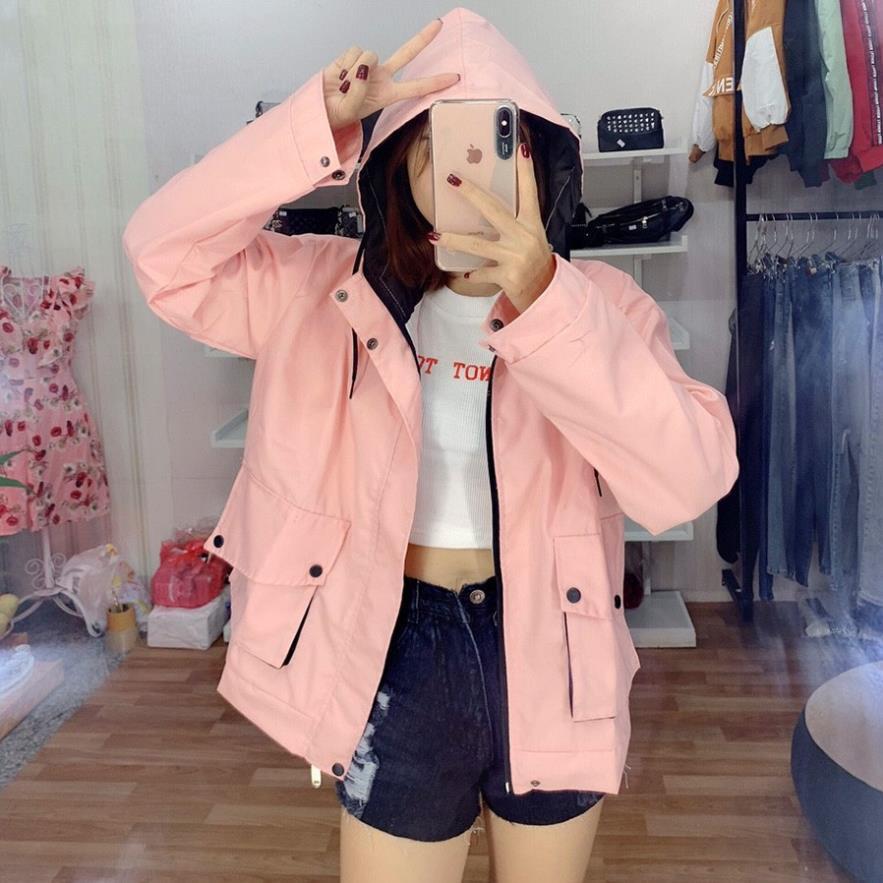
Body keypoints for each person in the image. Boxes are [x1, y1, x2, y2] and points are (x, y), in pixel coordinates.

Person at [123, 8, 739, 883]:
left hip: (552, 648)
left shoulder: (599, 304)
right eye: (430, 148)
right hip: (394, 647)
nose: (462, 170)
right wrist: (315, 126)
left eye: (497, 143)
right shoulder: (316, 291)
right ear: (393, 172)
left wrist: (548, 302)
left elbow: (691, 474)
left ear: (540, 160)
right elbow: (162, 256)